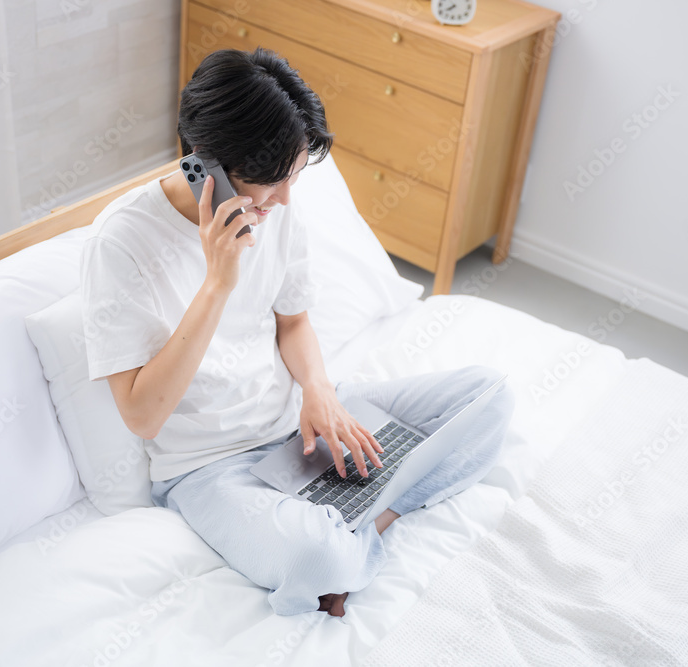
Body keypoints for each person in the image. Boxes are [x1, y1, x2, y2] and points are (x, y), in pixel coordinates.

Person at [80, 47, 515, 618]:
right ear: (208, 165)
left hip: (297, 427)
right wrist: (217, 284)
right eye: (272, 180)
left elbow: (294, 321)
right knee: (317, 560)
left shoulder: (278, 209)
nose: (285, 198)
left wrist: (319, 391)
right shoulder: (120, 243)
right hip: (210, 469)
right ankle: (342, 538)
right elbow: (142, 416)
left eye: (293, 177)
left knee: (489, 395)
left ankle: (371, 520)